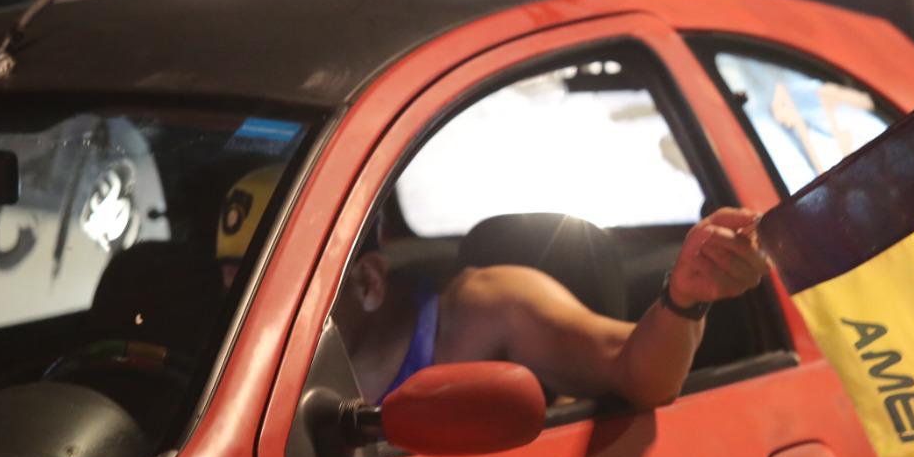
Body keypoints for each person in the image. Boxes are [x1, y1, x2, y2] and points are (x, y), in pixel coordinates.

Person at [216, 167, 771, 410]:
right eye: (236, 292)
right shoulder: (214, 369)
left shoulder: (488, 309)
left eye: (278, 294)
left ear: (368, 281)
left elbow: (636, 370)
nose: (252, 320)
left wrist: (685, 296)